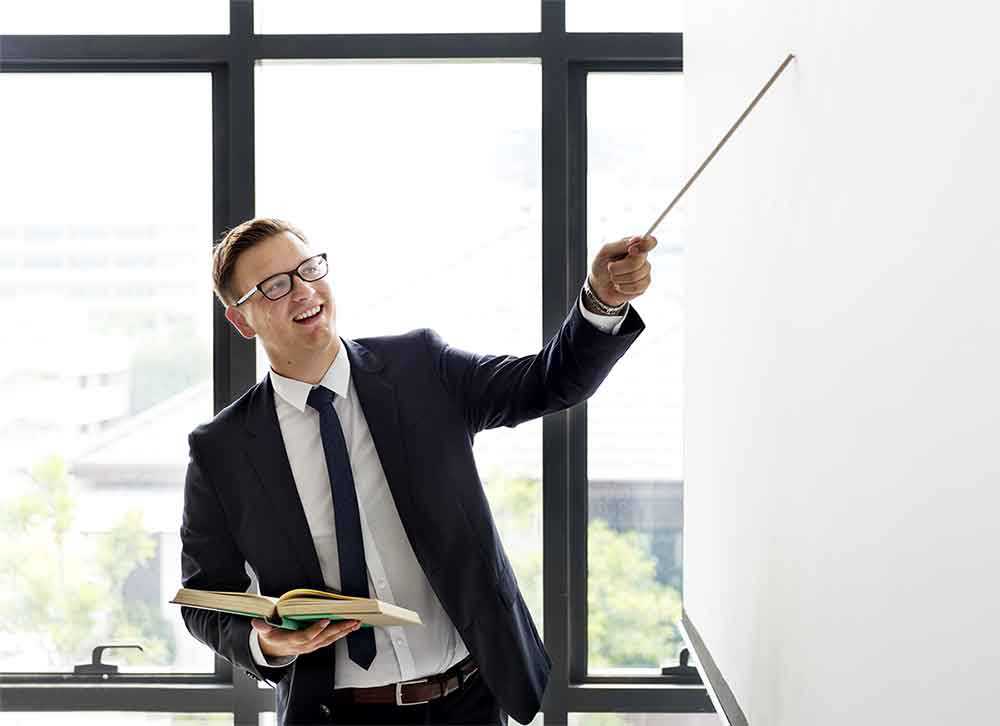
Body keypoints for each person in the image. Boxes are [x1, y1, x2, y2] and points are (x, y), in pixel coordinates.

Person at [180, 217, 655, 726]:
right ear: (241, 319)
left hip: (469, 702)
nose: (303, 291)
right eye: (275, 286)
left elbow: (548, 381)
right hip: (335, 714)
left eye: (308, 269)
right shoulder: (221, 450)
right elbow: (202, 598)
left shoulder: (420, 369)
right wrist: (265, 644)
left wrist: (602, 301)